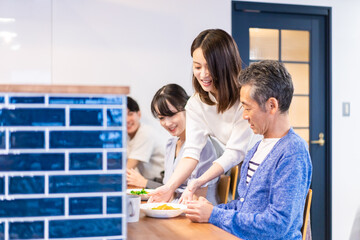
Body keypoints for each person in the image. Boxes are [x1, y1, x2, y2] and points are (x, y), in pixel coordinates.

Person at [184, 60, 313, 240]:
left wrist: (214, 215)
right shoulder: (255, 149)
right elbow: (245, 206)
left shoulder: (293, 152)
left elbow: (278, 225)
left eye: (247, 107)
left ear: (272, 105)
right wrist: (210, 210)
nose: (244, 116)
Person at [148, 29, 256, 203]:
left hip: (264, 165)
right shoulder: (197, 103)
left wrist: (199, 181)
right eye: (197, 67)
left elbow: (235, 153)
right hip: (246, 169)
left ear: (226, 66)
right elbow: (191, 152)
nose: (203, 74)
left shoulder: (244, 98)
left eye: (210, 67)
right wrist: (170, 187)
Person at [127, 84, 219, 203]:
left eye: (171, 115)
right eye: (161, 118)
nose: (167, 123)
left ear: (187, 109)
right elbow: (168, 187)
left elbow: (197, 198)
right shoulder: (171, 143)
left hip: (195, 213)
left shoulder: (203, 145)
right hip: (173, 207)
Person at [126, 96, 164, 188]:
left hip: (161, 182)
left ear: (139, 114)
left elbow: (129, 167)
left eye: (130, 114)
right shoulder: (125, 136)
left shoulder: (145, 133)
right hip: (148, 182)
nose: (126, 120)